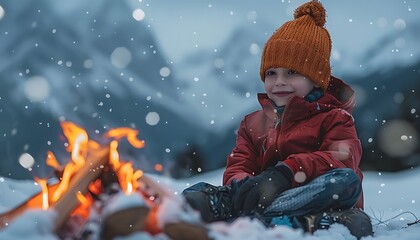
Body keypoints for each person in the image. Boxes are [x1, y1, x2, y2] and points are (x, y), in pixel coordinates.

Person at [182, 1, 372, 239]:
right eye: (271, 73)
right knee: (196, 192)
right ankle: (293, 222)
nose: (279, 81)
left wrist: (285, 173)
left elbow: (340, 161)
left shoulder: (336, 118)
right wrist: (247, 185)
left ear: (316, 79)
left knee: (346, 181)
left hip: (318, 198)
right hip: (261, 199)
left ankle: (256, 218)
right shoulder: (252, 124)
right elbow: (238, 166)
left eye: (292, 72)